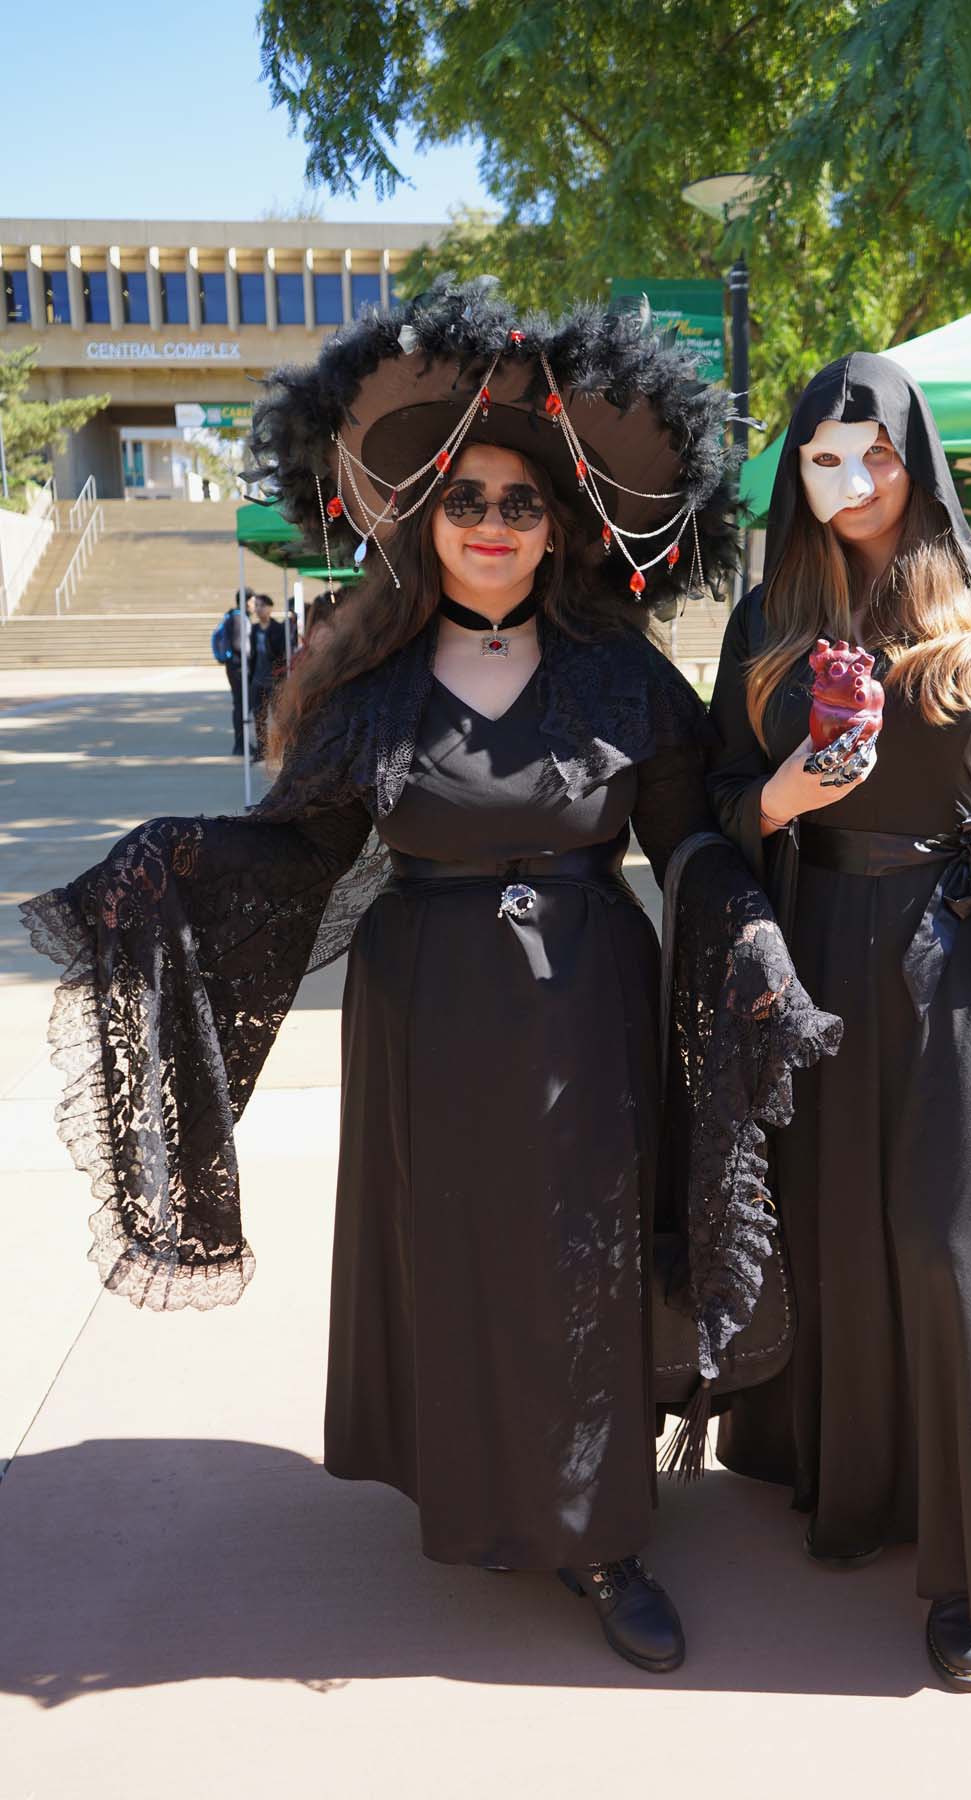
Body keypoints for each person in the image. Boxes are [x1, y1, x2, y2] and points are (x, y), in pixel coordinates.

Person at [20, 285, 834, 1677]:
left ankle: (604, 1534)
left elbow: (686, 836)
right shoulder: (367, 691)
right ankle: (484, 1494)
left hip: (591, 1013)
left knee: (582, 1261)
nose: (494, 524)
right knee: (468, 1264)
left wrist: (746, 921)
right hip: (428, 1026)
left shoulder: (622, 677)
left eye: (522, 501)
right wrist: (167, 866)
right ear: (425, 516)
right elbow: (300, 853)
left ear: (561, 522)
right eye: (468, 499)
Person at [706, 352, 971, 1691]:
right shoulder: (766, 612)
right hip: (817, 939)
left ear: (916, 453)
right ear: (797, 469)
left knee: (950, 1235)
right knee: (830, 1221)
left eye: (875, 452)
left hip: (957, 948)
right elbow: (712, 806)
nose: (854, 481)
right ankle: (850, 1481)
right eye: (824, 458)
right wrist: (782, 797)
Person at [248, 594, 288, 762]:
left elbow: (282, 653)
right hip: (258, 679)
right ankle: (261, 749)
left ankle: (281, 749)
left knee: (278, 716)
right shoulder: (254, 630)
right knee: (259, 716)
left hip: (274, 679)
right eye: (256, 605)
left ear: (270, 608)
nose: (258, 609)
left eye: (261, 605)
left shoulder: (278, 629)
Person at [211, 594, 252, 756]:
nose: (254, 605)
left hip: (234, 666)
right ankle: (241, 744)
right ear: (246, 602)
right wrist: (251, 654)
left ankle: (241, 743)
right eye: (253, 601)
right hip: (238, 667)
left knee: (240, 705)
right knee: (241, 705)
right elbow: (238, 644)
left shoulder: (235, 616)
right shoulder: (237, 618)